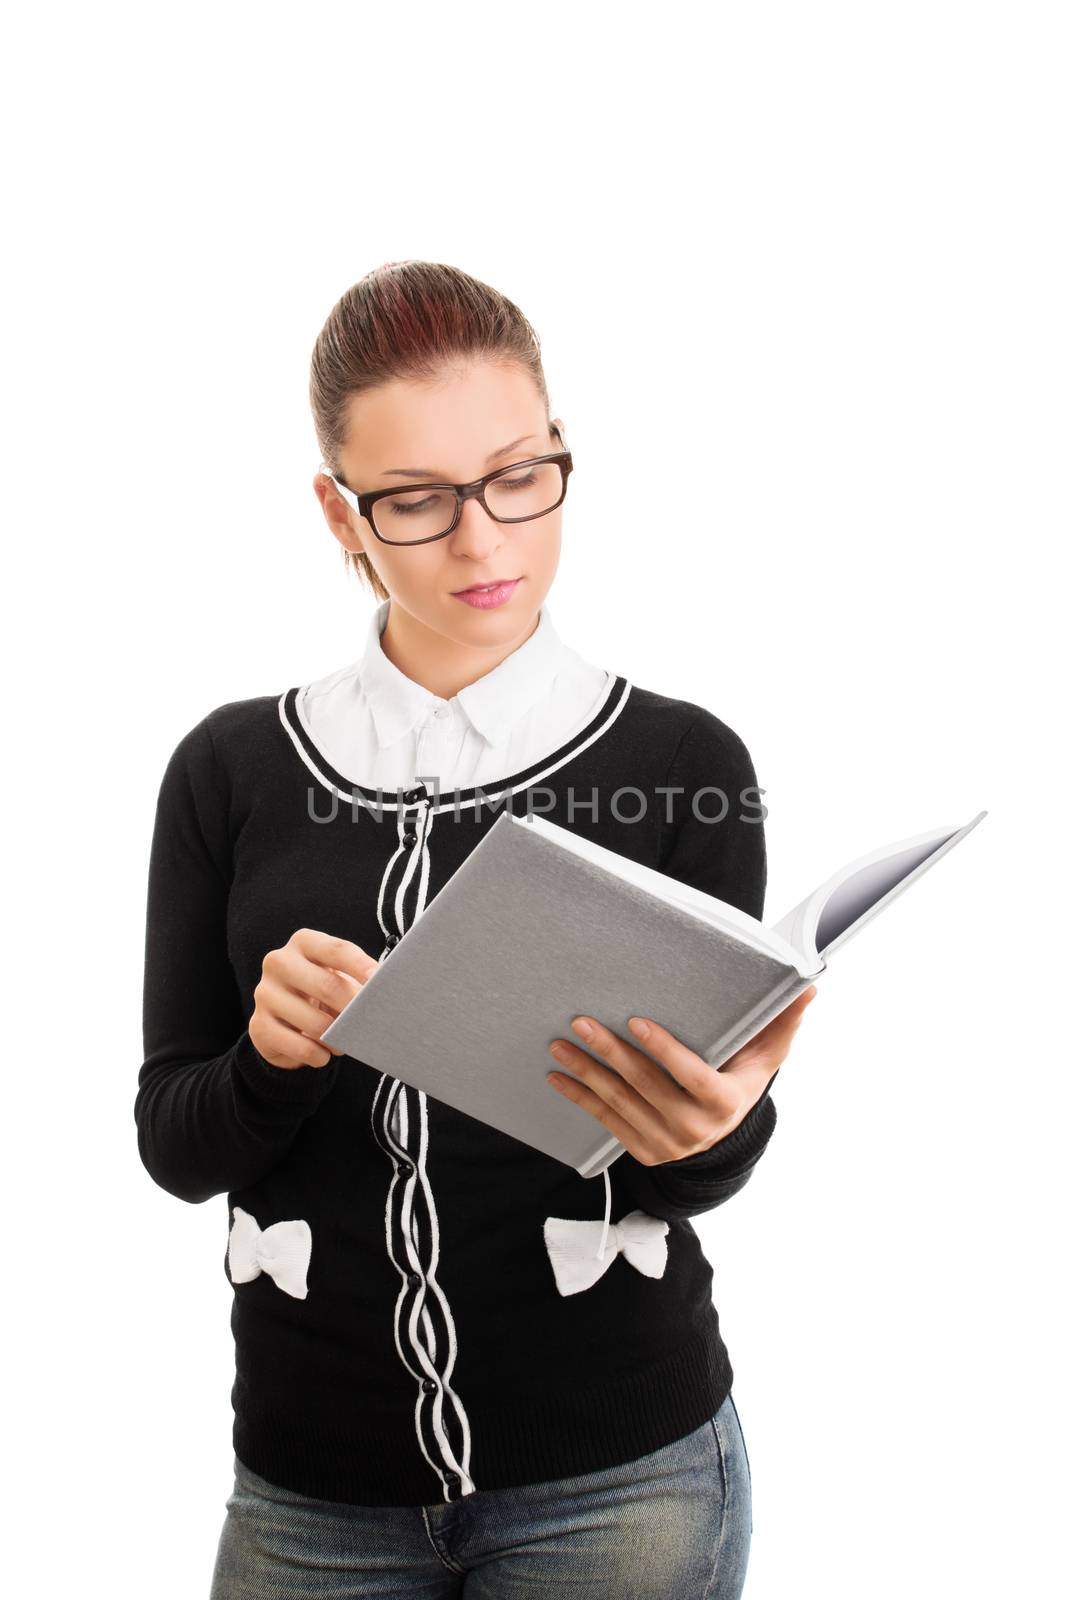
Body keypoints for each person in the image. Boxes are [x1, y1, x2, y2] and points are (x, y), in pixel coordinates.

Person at [136, 260, 816, 1599]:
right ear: (340, 512)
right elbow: (172, 1139)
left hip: (624, 1485)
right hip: (307, 1496)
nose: (483, 539)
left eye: (519, 476)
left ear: (561, 455)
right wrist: (270, 1066)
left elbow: (683, 1175)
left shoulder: (682, 761)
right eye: (415, 501)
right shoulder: (230, 772)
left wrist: (715, 1132)